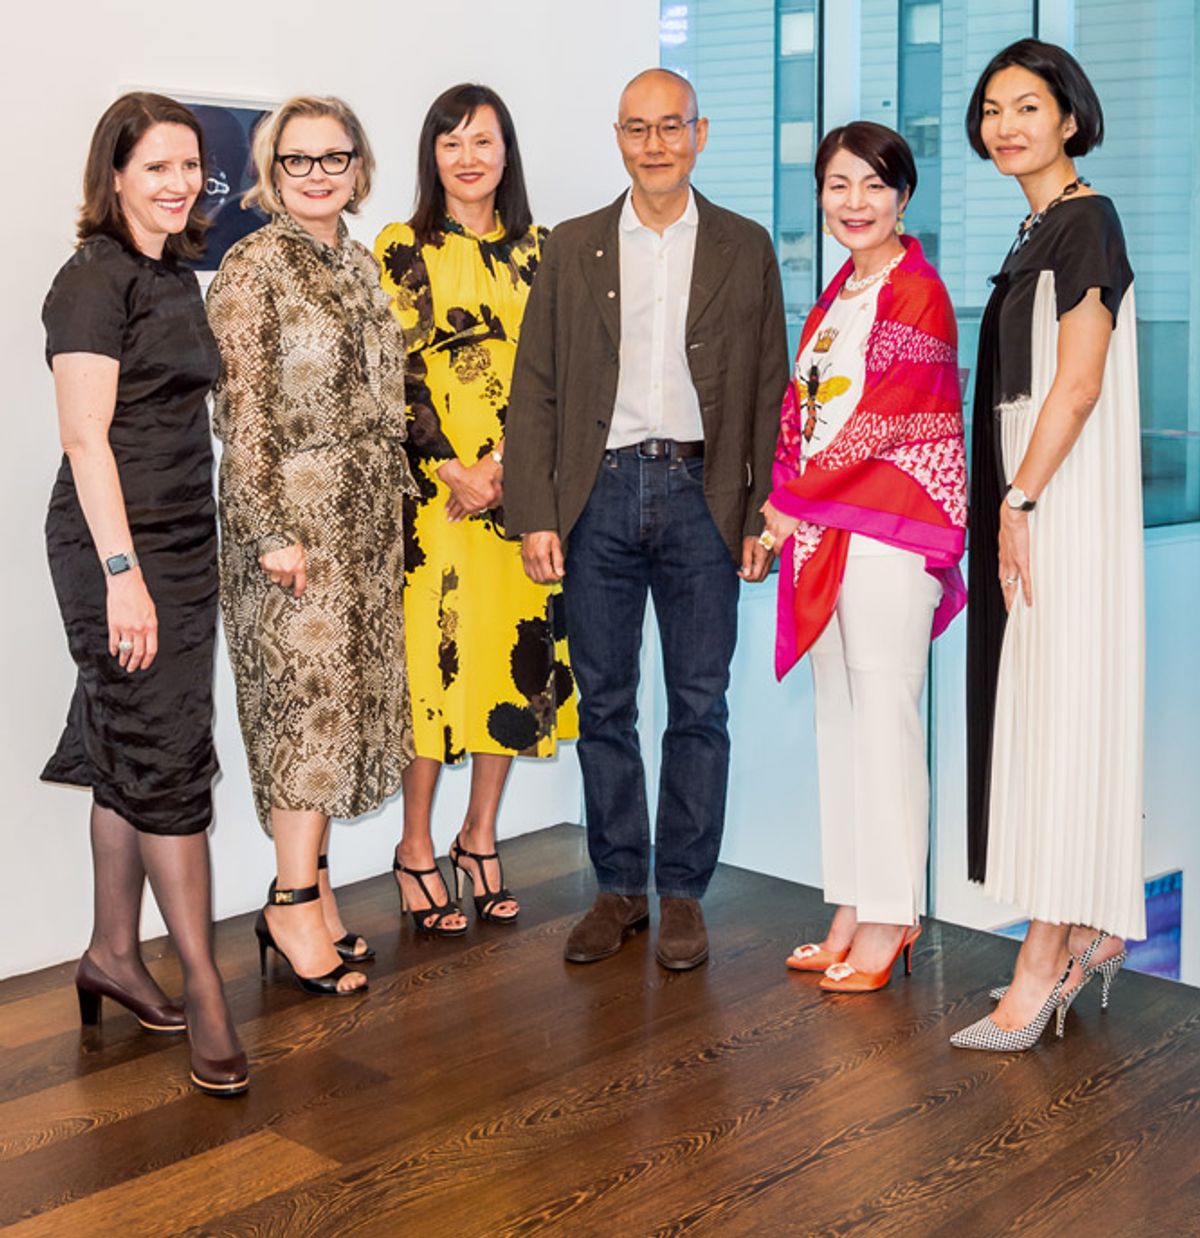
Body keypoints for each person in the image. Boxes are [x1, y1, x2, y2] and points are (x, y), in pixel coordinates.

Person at [504, 68, 788, 970]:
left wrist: (764, 514)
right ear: (618, 137)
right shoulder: (574, 246)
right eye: (638, 128)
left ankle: (685, 894)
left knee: (700, 703)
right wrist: (536, 511)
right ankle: (621, 887)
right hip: (600, 496)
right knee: (607, 703)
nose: (655, 143)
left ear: (700, 134)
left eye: (672, 126)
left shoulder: (745, 246)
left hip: (705, 498)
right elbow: (536, 387)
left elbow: (772, 390)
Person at [41, 93, 246, 1097]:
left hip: (183, 545)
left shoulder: (171, 273)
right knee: (164, 759)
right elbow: (86, 441)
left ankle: (113, 954)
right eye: (156, 166)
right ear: (114, 174)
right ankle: (205, 986)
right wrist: (123, 578)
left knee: (131, 746)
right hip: (117, 549)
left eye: (189, 167)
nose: (178, 184)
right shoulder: (91, 278)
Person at [954, 39, 1143, 1051]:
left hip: (1057, 494)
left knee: (1063, 703)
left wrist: (1020, 499)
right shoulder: (1043, 226)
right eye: (993, 109)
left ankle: (1045, 961)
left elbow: (1079, 380)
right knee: (1046, 704)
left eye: (1028, 105)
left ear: (1070, 117)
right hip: (1035, 490)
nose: (1006, 125)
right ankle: (1082, 927)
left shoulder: (1086, 220)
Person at [208, 96, 417, 996]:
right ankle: (290, 902)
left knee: (346, 709)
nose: (318, 174)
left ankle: (315, 892)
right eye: (298, 159)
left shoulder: (359, 263)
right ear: (272, 171)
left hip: (362, 527)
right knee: (304, 714)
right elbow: (241, 415)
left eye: (335, 157)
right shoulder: (252, 266)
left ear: (358, 167)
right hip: (290, 527)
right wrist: (270, 534)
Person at [762, 122, 966, 994]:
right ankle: (851, 902)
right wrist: (787, 497)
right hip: (829, 528)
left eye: (874, 185)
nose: (855, 202)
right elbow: (800, 415)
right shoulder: (839, 294)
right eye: (838, 184)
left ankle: (892, 913)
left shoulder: (918, 292)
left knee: (884, 719)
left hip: (890, 529)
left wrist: (789, 503)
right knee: (841, 721)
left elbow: (886, 420)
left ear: (903, 197)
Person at [375, 84, 577, 937]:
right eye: (451, 142)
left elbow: (560, 373)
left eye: (483, 141)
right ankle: (416, 844)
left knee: (511, 661)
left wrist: (504, 469)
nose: (468, 157)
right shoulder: (401, 246)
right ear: (432, 155)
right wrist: (452, 468)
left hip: (520, 495)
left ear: (506, 153)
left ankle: (479, 836)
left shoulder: (544, 251)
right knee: (431, 667)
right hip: (433, 503)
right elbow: (391, 369)